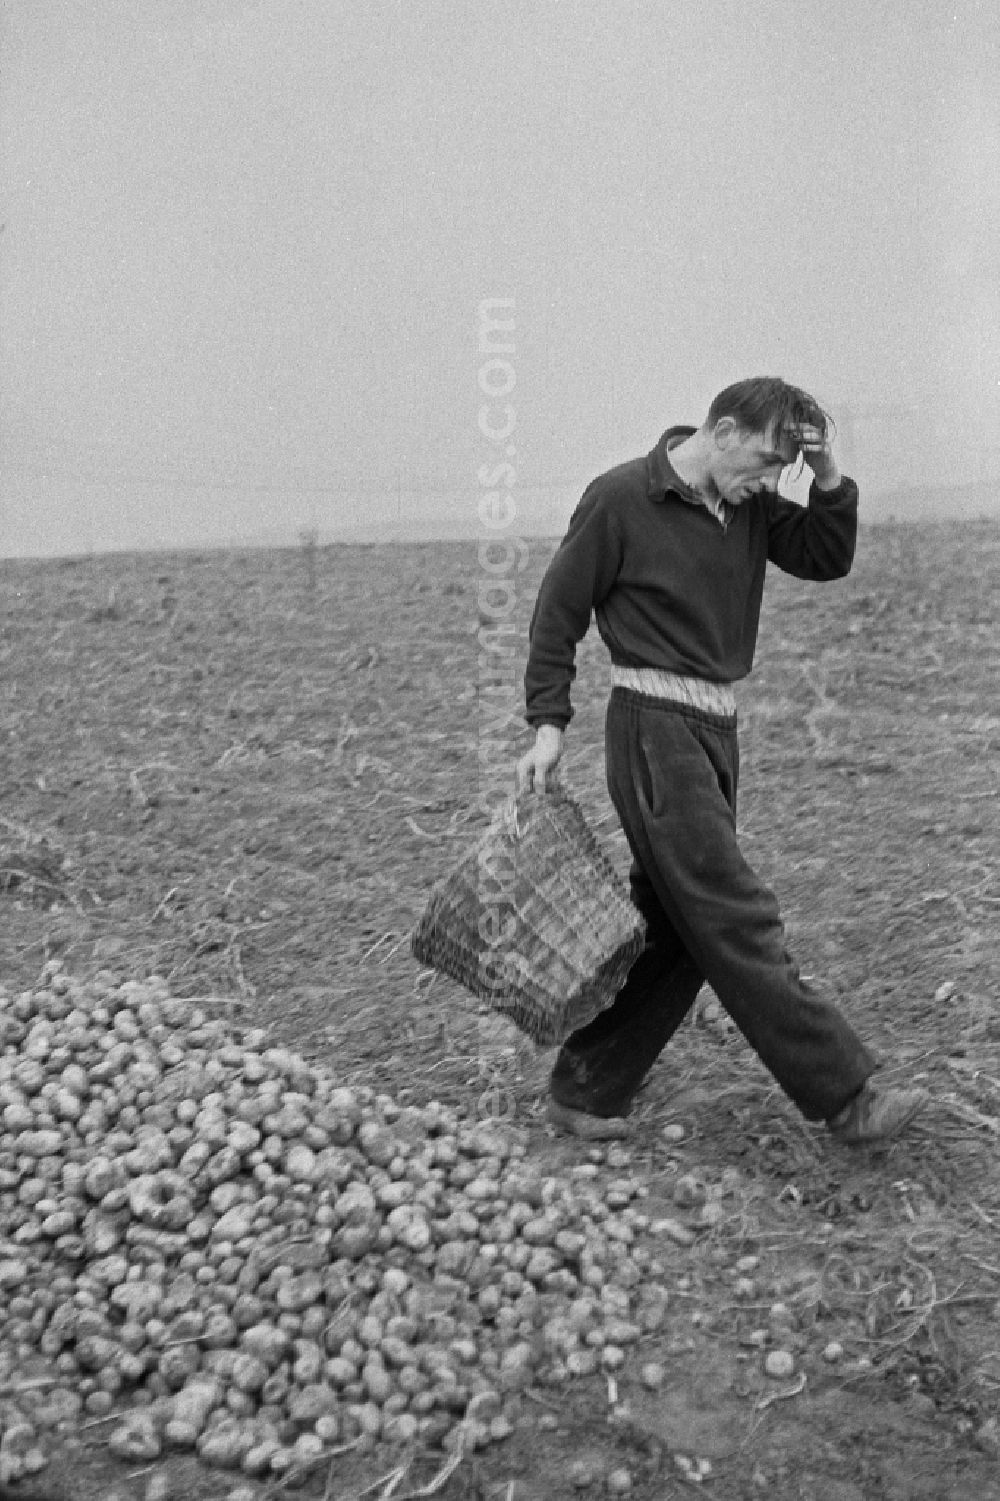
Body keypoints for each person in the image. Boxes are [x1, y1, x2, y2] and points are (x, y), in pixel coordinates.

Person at [515, 376, 927, 1147]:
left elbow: (825, 556)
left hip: (712, 729)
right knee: (733, 915)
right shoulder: (620, 499)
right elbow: (557, 613)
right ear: (727, 429)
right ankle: (848, 1096)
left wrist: (826, 477)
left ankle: (585, 1089)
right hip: (651, 731)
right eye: (768, 463)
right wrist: (547, 724)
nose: (772, 483)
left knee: (681, 927)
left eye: (783, 472)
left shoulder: (749, 506)